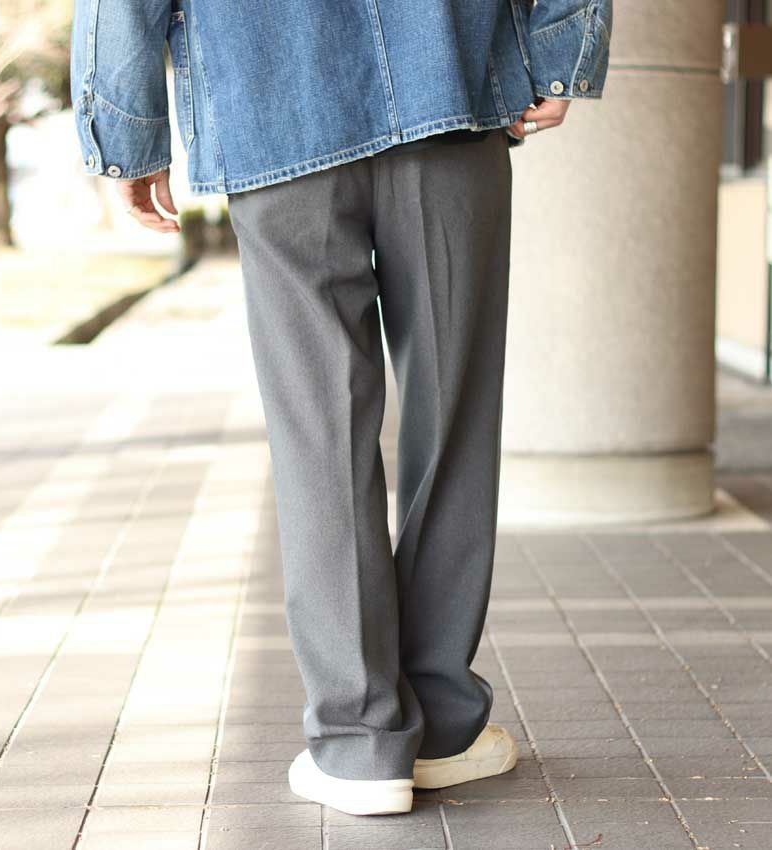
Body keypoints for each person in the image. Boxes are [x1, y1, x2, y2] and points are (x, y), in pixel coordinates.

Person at [71, 0, 612, 817]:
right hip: (450, 84)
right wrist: (561, 49)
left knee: (319, 432)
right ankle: (442, 727)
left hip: (269, 108)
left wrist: (123, 133)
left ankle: (361, 741)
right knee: (454, 416)